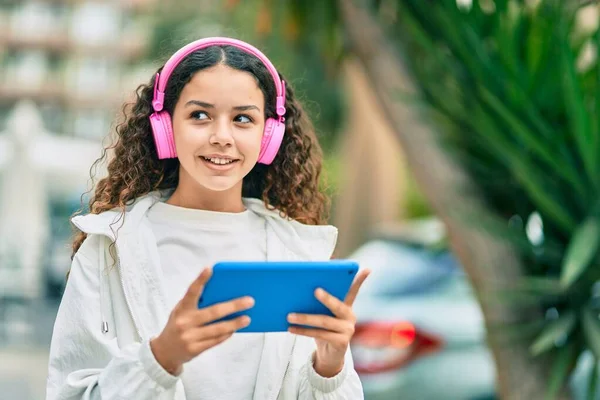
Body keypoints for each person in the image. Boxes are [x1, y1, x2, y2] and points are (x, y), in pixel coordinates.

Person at [46, 37, 370, 400]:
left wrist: (329, 370)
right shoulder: (107, 250)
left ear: (269, 136)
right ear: (165, 129)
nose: (222, 137)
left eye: (243, 119)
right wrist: (160, 359)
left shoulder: (298, 254)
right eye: (199, 115)